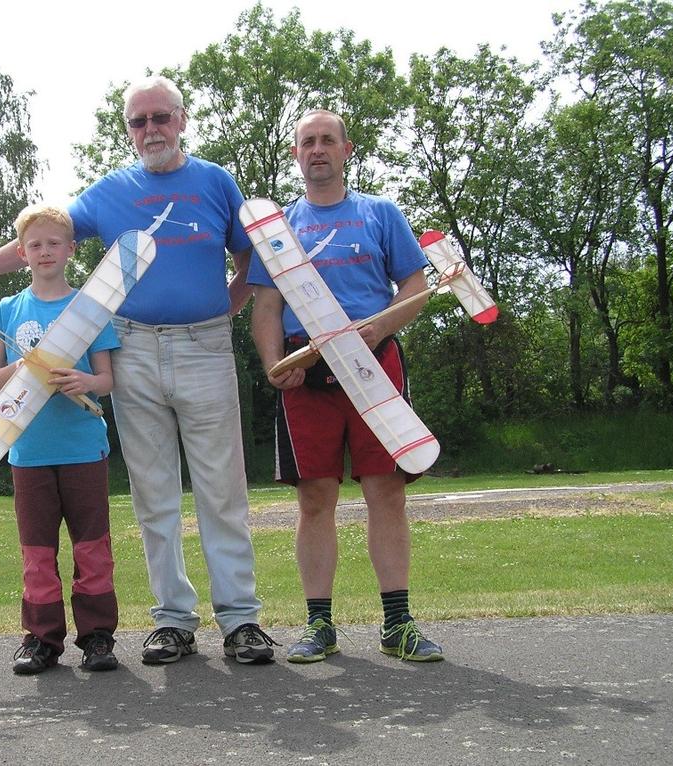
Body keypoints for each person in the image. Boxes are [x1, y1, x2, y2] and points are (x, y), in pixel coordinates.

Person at [0, 76, 275, 665]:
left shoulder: (215, 181)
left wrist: (231, 301)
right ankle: (174, 622)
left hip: (205, 348)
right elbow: (34, 239)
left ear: (181, 120)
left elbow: (251, 251)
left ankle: (241, 621)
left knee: (221, 491)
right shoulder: (108, 191)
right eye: (137, 121)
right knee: (154, 494)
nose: (149, 130)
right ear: (128, 129)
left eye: (159, 118)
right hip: (130, 348)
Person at [248, 109, 444, 663]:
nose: (317, 149)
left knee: (386, 491)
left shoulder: (381, 213)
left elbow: (415, 285)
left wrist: (380, 326)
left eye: (327, 140)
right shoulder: (279, 228)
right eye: (307, 142)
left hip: (374, 366)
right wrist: (272, 364)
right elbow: (266, 305)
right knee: (315, 500)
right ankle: (318, 626)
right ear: (295, 154)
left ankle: (398, 623)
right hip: (306, 376)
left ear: (346, 149)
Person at [0, 204, 121, 675]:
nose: (45, 252)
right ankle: (41, 640)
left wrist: (84, 382)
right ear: (22, 253)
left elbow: (107, 381)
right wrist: (18, 369)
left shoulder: (89, 309)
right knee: (38, 553)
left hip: (83, 448)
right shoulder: (7, 310)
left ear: (71, 250)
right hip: (29, 453)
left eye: (54, 243)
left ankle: (98, 637)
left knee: (92, 547)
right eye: (35, 245)